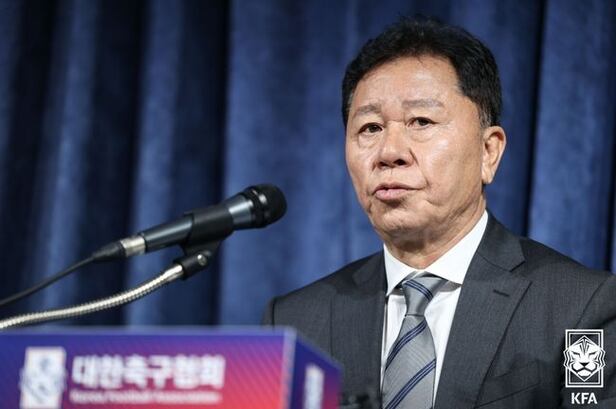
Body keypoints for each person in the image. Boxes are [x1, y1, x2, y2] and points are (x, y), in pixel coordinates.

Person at [262, 17, 616, 408]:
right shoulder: (295, 323)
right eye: (370, 128)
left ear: (488, 152)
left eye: (421, 122)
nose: (389, 152)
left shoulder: (581, 307)